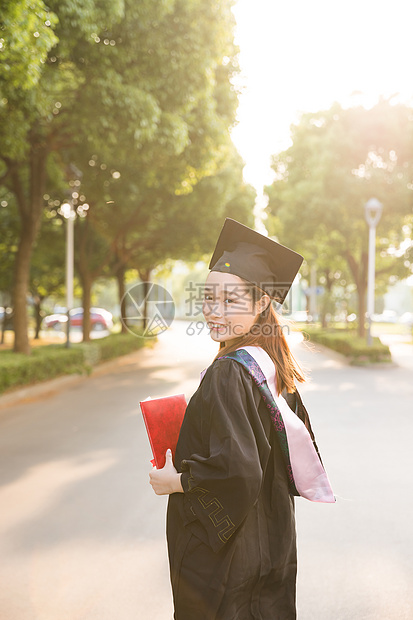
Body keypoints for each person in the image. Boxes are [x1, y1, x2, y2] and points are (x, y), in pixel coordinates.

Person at [149, 218, 334, 620]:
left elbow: (237, 469)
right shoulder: (274, 368)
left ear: (262, 302)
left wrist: (174, 481)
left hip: (227, 559)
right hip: (271, 543)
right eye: (208, 298)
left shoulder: (229, 371)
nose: (213, 311)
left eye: (229, 300)